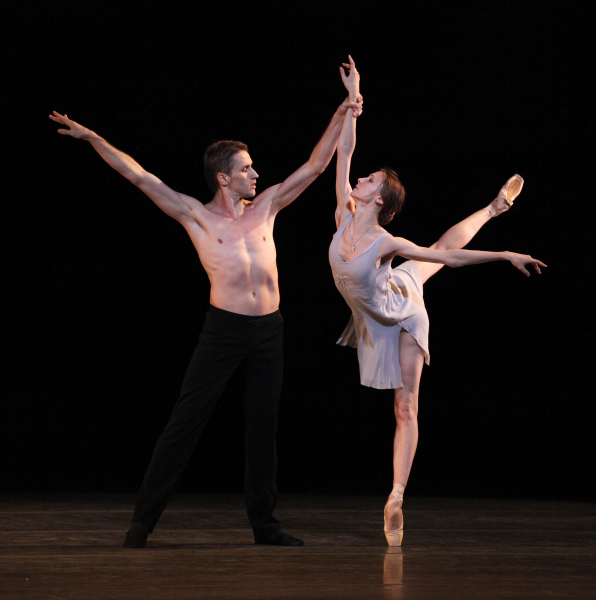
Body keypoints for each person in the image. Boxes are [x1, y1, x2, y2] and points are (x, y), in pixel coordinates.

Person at [49, 87, 362, 548]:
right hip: (224, 330)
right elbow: (140, 176)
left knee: (263, 427)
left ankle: (265, 526)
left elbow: (315, 165)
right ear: (223, 178)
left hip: (268, 330)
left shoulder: (267, 207)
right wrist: (93, 137)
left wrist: (342, 109)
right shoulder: (196, 217)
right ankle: (142, 523)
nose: (255, 173)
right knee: (185, 422)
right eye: (246, 168)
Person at [331, 57, 546, 546]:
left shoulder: (387, 239)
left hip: (401, 310)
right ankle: (495, 206)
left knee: (405, 408)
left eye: (369, 180)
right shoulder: (344, 209)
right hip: (378, 305)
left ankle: (396, 496)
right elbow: (344, 151)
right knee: (438, 254)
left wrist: (505, 254)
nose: (360, 178)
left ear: (379, 200)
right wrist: (354, 99)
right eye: (362, 177)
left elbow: (450, 259)